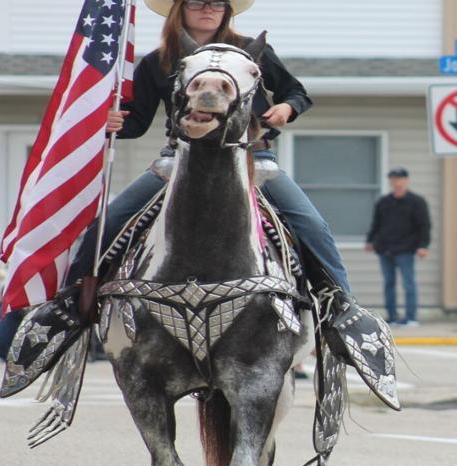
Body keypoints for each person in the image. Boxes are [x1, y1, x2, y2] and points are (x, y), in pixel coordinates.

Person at [60, 1, 356, 310]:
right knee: (112, 219)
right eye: (197, 2)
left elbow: (295, 93)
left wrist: (287, 107)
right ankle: (72, 299)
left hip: (253, 160)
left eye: (217, 3)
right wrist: (114, 124)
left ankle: (339, 304)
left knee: (311, 224)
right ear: (180, 8)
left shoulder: (249, 52)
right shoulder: (159, 61)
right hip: (179, 160)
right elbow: (136, 123)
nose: (208, 9)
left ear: (227, 10)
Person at [365, 167, 431, 328]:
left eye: (399, 178)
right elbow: (377, 223)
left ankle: (411, 317)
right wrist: (370, 240)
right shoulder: (384, 202)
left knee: (408, 284)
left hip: (406, 249)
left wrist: (423, 245)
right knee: (389, 283)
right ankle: (392, 316)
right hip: (385, 248)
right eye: (393, 178)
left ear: (406, 180)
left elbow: (424, 225)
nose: (396, 181)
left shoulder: (416, 202)